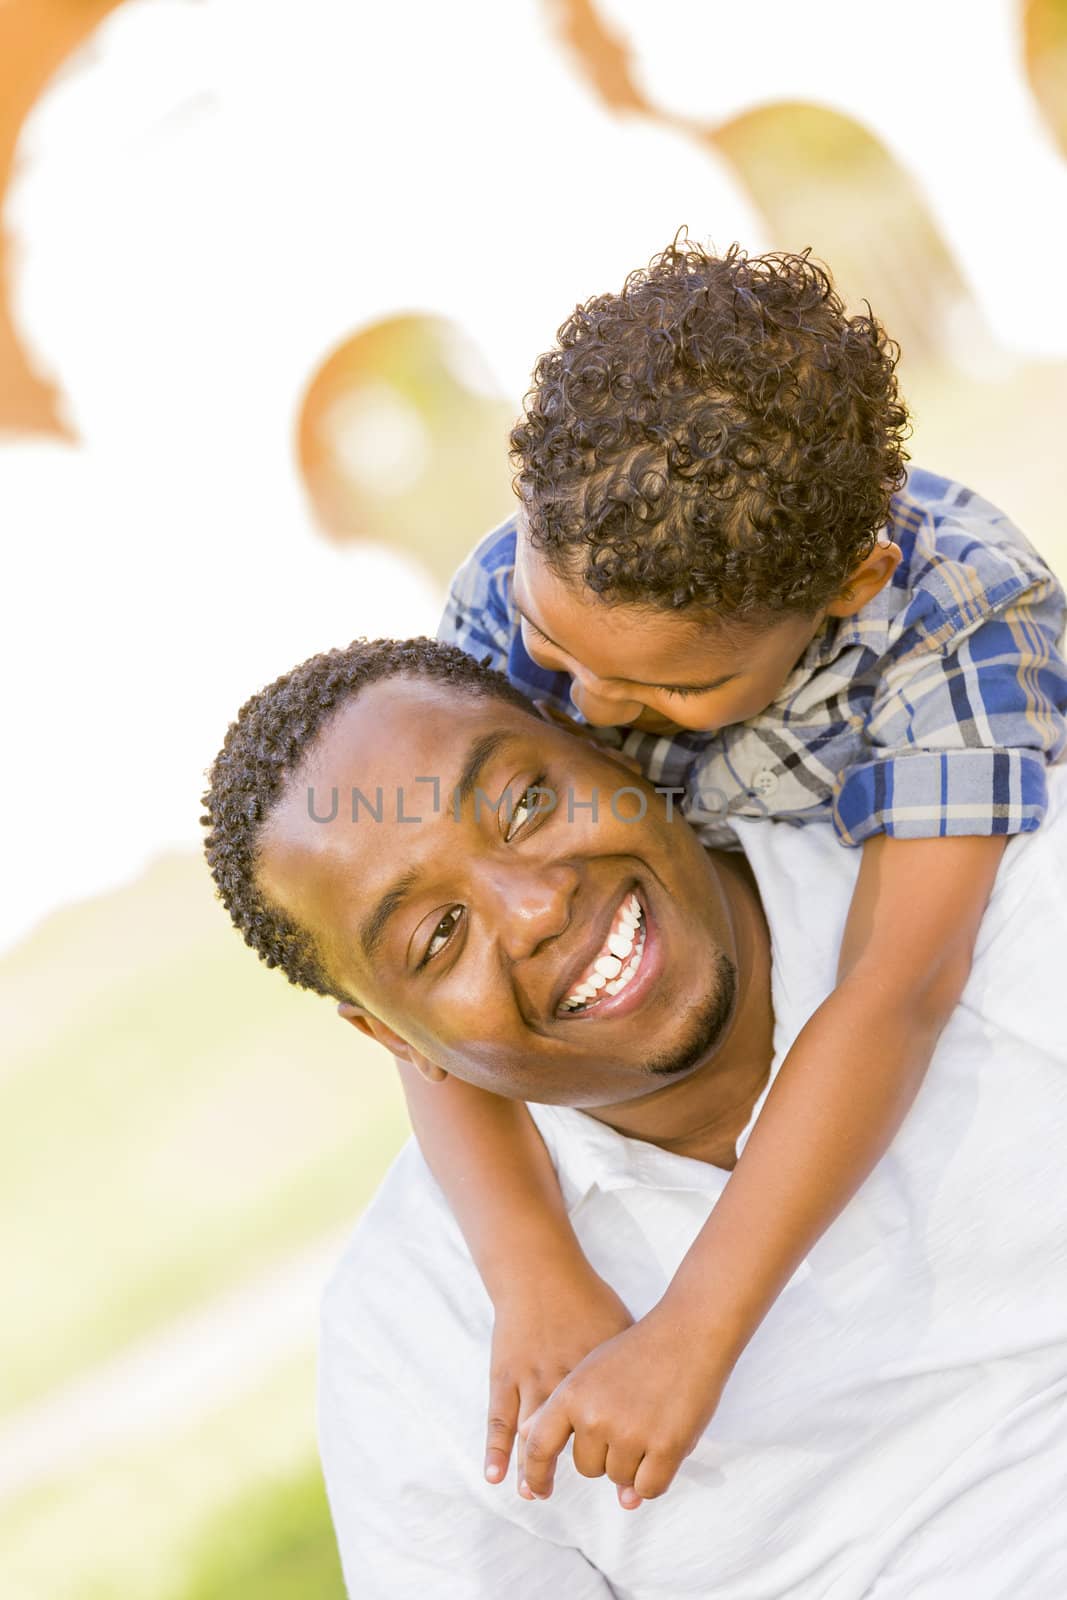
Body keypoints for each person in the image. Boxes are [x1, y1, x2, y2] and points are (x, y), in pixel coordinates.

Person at [200, 637, 1067, 1596]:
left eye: (525, 804)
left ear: (606, 745)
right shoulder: (414, 1337)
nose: (532, 908)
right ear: (393, 1041)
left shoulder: (1011, 890)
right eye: (437, 936)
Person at [420, 238, 1067, 1504]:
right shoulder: (507, 600)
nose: (589, 703)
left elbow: (895, 987)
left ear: (848, 586)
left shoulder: (957, 619)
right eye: (560, 647)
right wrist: (530, 1263)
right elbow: (410, 981)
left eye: (676, 683)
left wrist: (691, 1332)